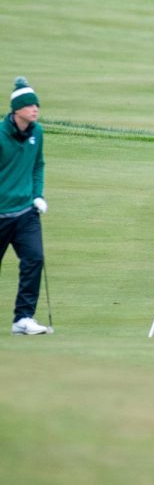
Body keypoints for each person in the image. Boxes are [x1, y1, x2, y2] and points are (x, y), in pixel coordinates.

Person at [1, 77, 51, 335]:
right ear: (16, 109)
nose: (35, 109)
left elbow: (38, 165)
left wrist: (37, 195)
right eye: (29, 105)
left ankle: (23, 318)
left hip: (25, 213)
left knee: (34, 259)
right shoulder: (0, 135)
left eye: (36, 105)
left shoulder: (37, 132)